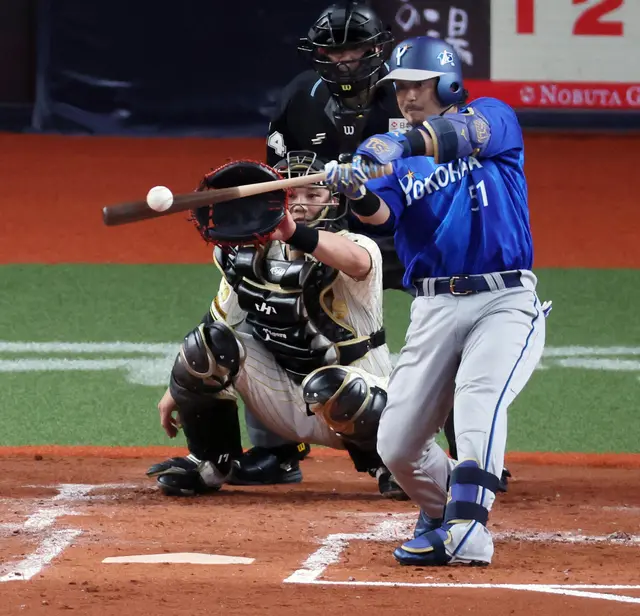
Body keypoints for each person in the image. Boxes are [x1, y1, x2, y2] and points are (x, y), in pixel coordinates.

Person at [236, 0, 485, 488]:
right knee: (268, 303)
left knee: (454, 326)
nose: (344, 62)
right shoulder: (300, 98)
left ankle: (468, 457)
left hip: (411, 231)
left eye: (354, 51)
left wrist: (382, 167)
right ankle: (278, 451)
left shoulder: (410, 97)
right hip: (327, 237)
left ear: (377, 50)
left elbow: (454, 160)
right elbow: (283, 179)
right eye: (332, 53)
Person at [325, 36, 550, 565]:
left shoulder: (494, 118)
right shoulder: (391, 154)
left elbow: (461, 135)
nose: (406, 97)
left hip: (503, 299)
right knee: (397, 445)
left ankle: (468, 532)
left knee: (477, 400)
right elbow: (382, 217)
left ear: (447, 83)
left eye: (417, 85)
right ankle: (441, 508)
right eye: (399, 87)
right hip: (433, 307)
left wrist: (396, 146)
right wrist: (355, 189)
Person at [146, 151, 407, 500]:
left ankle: (393, 465)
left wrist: (292, 232)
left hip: (359, 401)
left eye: (313, 194)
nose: (299, 204)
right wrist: (180, 387)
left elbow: (356, 262)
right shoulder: (246, 256)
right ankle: (212, 462)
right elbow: (218, 324)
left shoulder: (359, 245)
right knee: (204, 345)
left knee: (334, 386)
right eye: (291, 194)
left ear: (333, 200)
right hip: (284, 400)